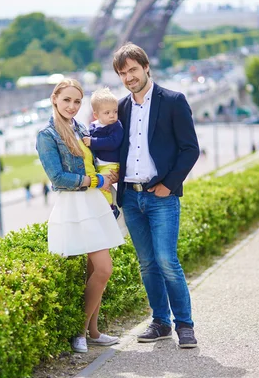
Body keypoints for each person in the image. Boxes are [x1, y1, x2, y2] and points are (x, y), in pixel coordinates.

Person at [112, 43, 199, 349]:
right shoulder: (121, 107)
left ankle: (184, 325)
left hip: (160, 194)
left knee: (166, 260)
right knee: (147, 263)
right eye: (122, 73)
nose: (128, 77)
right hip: (131, 198)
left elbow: (190, 148)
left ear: (146, 67)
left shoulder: (173, 101)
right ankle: (160, 321)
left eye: (133, 70)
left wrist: (169, 185)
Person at [36, 78, 124, 353]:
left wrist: (109, 174)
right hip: (75, 206)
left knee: (95, 270)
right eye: (67, 100)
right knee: (104, 268)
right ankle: (80, 332)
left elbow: (95, 160)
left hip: (94, 204)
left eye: (77, 101)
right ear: (55, 99)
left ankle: (93, 331)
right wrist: (96, 181)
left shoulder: (82, 129)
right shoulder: (47, 135)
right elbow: (58, 178)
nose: (72, 106)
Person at [82, 87, 124, 218]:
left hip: (111, 164)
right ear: (96, 115)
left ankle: (111, 208)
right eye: (107, 113)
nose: (112, 115)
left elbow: (113, 142)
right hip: (99, 164)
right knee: (96, 186)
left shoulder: (116, 126)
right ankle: (103, 207)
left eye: (115, 111)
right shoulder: (93, 126)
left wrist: (92, 142)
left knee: (103, 185)